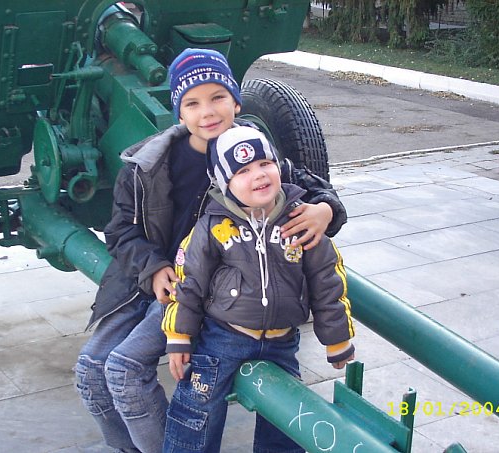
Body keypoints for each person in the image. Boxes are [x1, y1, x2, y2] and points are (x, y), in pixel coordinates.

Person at [74, 47, 348, 453]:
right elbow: (119, 232)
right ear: (179, 113)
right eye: (193, 103)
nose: (208, 112)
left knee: (123, 368)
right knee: (89, 370)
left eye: (218, 97)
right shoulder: (146, 164)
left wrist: (326, 209)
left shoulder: (254, 154)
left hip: (198, 288)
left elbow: (312, 187)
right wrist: (152, 267)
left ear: (236, 101)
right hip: (148, 279)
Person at [161, 126, 355, 453]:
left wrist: (337, 338)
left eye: (265, 164)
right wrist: (179, 336)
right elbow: (189, 280)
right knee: (196, 410)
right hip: (224, 338)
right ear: (225, 183)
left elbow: (327, 279)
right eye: (243, 171)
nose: (259, 175)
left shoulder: (300, 218)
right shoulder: (213, 225)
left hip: (282, 342)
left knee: (287, 419)